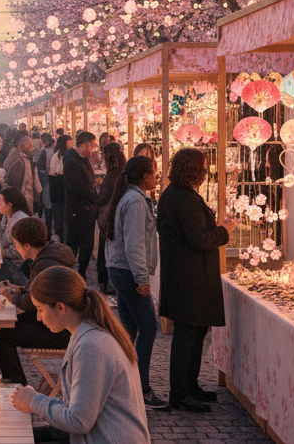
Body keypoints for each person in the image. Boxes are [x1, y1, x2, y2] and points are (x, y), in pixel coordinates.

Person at [11, 266, 150, 444]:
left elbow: (78, 421)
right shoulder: (87, 332)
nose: (38, 317)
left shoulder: (91, 345)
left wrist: (34, 402)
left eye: (40, 309)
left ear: (60, 307)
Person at [158, 147, 237, 412]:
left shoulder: (174, 195)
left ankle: (189, 386)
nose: (206, 171)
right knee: (187, 336)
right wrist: (224, 231)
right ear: (194, 169)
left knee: (195, 333)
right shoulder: (184, 199)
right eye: (203, 166)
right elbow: (199, 238)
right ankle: (180, 394)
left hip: (186, 277)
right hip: (190, 279)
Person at [103, 155, 166, 410]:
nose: (156, 177)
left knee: (129, 331)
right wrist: (142, 279)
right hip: (127, 271)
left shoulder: (131, 198)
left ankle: (121, 384)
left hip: (119, 269)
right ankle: (141, 388)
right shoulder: (135, 201)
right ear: (144, 177)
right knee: (148, 328)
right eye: (154, 173)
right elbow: (134, 243)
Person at [0, 217, 73, 385]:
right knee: (5, 325)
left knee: (1, 333)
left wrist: (12, 297)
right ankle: (15, 382)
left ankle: (16, 384)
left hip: (60, 331)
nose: (16, 248)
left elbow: (31, 302)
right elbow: (38, 291)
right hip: (58, 322)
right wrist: (19, 288)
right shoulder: (49, 256)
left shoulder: (45, 264)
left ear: (26, 245)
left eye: (16, 244)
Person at [63, 131, 98, 278]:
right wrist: (95, 196)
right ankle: (68, 273)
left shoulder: (84, 159)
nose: (93, 148)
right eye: (91, 145)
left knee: (87, 244)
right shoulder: (72, 161)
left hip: (88, 210)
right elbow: (76, 186)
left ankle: (81, 272)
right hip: (77, 210)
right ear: (82, 145)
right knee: (74, 243)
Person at [0, 186, 33, 292]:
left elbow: (18, 250)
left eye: (1, 201)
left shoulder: (19, 220)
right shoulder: (9, 217)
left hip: (17, 268)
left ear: (9, 204)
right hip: (8, 263)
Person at [95, 142, 126, 295]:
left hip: (109, 219)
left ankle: (105, 282)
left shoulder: (113, 174)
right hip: (114, 218)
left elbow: (103, 198)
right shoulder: (121, 172)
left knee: (106, 251)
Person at [3, 133, 38, 215]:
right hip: (21, 201)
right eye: (28, 142)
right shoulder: (19, 161)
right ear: (20, 144)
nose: (31, 145)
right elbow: (15, 185)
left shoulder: (21, 158)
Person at [47, 135, 71, 243]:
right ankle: (60, 235)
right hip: (59, 188)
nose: (71, 145)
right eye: (69, 143)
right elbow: (54, 174)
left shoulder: (67, 155)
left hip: (60, 188)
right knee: (59, 214)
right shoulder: (56, 157)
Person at [34, 133, 54, 231]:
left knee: (45, 200)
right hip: (46, 178)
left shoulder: (44, 151)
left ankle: (45, 223)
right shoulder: (48, 150)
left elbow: (39, 165)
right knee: (46, 200)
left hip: (44, 177)